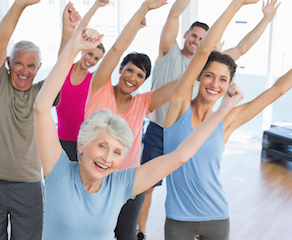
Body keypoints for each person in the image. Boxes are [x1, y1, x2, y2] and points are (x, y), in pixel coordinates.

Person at [33, 24, 243, 239]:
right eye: (102, 146)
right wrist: (73, 48)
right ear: (82, 144)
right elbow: (41, 108)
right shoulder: (58, 172)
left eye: (117, 152)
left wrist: (223, 109)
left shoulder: (120, 183)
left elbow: (181, 155)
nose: (107, 158)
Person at [137, 0, 280, 238]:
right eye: (194, 36)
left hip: (213, 204)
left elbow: (248, 56)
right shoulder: (172, 58)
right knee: (146, 188)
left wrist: (265, 18)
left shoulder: (213, 71)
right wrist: (238, 4)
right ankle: (140, 232)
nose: (215, 83)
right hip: (161, 129)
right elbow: (184, 26)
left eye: (222, 79)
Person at [0, 0, 78, 239]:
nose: (24, 70)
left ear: (38, 67)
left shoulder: (41, 94)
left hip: (27, 188)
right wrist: (20, 4)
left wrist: (68, 32)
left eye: (31, 65)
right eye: (19, 62)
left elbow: (62, 68)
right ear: (9, 63)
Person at [83, 0, 189, 238]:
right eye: (129, 70)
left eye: (140, 75)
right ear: (120, 69)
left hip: (126, 182)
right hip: (93, 177)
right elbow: (116, 49)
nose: (132, 77)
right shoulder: (100, 89)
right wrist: (144, 9)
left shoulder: (142, 102)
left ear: (144, 81)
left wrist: (202, 64)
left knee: (126, 235)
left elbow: (178, 86)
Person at [56, 0, 109, 161]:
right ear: (83, 50)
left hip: (84, 142)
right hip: (60, 139)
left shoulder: (93, 81)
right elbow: (76, 34)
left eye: (96, 59)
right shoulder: (64, 67)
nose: (91, 60)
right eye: (90, 54)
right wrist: (95, 6)